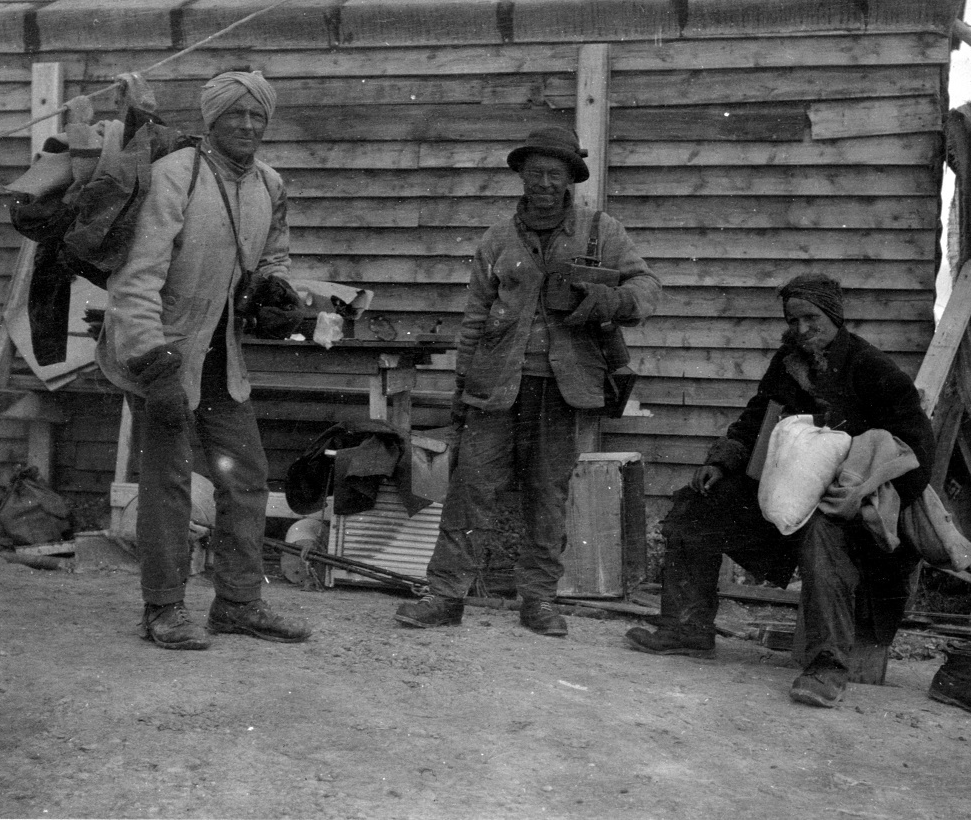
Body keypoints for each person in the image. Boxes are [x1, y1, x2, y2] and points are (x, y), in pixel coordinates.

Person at [395, 126, 661, 636]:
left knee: (548, 494)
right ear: (521, 175)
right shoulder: (497, 239)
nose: (543, 183)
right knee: (469, 491)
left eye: (554, 175)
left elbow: (647, 286)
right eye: (534, 173)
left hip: (563, 390)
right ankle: (445, 595)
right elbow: (475, 318)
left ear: (569, 181)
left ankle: (539, 600)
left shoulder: (600, 232)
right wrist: (461, 391)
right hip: (496, 388)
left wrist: (613, 301)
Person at [624, 273, 934, 707]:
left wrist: (862, 493)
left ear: (834, 317)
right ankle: (688, 627)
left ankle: (828, 666)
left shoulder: (874, 370)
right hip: (784, 493)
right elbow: (757, 418)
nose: (803, 329)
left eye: (812, 318)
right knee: (697, 505)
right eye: (794, 320)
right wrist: (722, 460)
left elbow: (917, 449)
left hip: (847, 506)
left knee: (825, 540)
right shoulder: (789, 363)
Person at [97, 71, 311, 650]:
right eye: (233, 115)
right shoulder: (177, 175)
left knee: (246, 478)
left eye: (256, 116)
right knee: (165, 483)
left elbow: (274, 253)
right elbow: (135, 279)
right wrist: (154, 362)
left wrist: (276, 291)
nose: (246, 125)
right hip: (164, 357)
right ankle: (163, 609)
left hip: (224, 358)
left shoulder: (269, 184)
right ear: (211, 121)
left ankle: (239, 604)